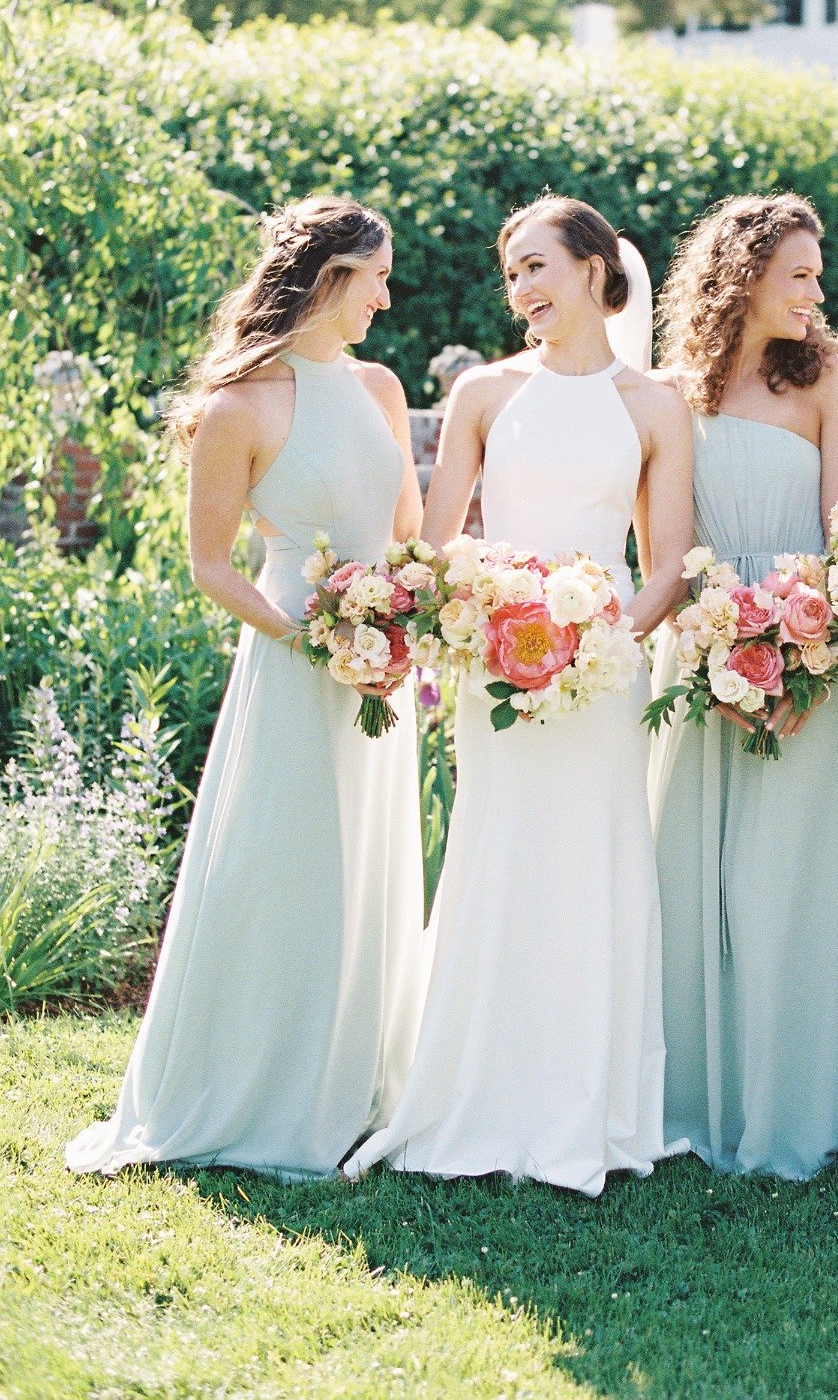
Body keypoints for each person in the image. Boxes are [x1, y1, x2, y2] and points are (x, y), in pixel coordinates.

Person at [67, 196, 427, 1181]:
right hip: (292, 662)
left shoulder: (383, 388)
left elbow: (407, 536)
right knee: (285, 873)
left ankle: (353, 1086)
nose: (388, 300)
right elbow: (212, 565)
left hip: (378, 668)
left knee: (366, 871)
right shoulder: (239, 405)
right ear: (330, 279)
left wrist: (401, 619)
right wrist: (315, 637)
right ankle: (255, 1089)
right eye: (378, 279)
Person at [345, 196, 694, 1196]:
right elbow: (439, 540)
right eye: (513, 274)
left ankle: (592, 1104)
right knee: (500, 854)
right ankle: (476, 1091)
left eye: (539, 266)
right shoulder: (488, 395)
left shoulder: (654, 404)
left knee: (594, 859)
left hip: (600, 672)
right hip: (495, 665)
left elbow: (667, 562)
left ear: (593, 268)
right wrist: (490, 618)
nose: (523, 289)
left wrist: (598, 640)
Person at [646, 194, 838, 1179]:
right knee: (692, 873)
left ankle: (792, 1105)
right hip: (699, 648)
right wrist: (707, 644)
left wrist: (807, 655)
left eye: (816, 275)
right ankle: (691, 1096)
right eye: (800, 275)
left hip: (807, 646)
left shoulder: (828, 379)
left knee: (790, 880)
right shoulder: (672, 390)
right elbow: (665, 539)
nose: (817, 293)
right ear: (741, 276)